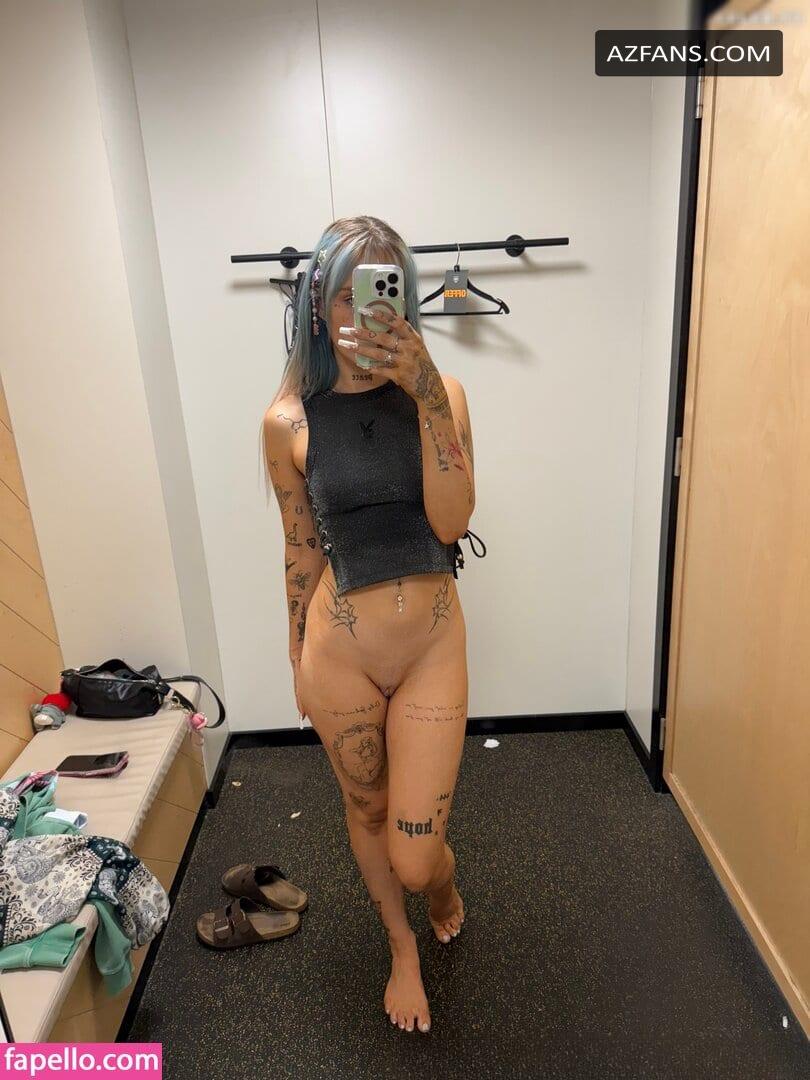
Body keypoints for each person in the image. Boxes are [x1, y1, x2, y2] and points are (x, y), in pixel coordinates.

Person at [260, 215, 485, 1035]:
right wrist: (296, 657)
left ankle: (439, 886)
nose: (366, 311)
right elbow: (300, 548)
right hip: (340, 658)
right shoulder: (288, 421)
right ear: (319, 306)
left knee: (416, 855)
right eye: (348, 293)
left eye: (384, 289)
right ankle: (402, 949)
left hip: (430, 647)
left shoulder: (444, 393)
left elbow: (452, 522)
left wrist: (423, 387)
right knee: (366, 812)